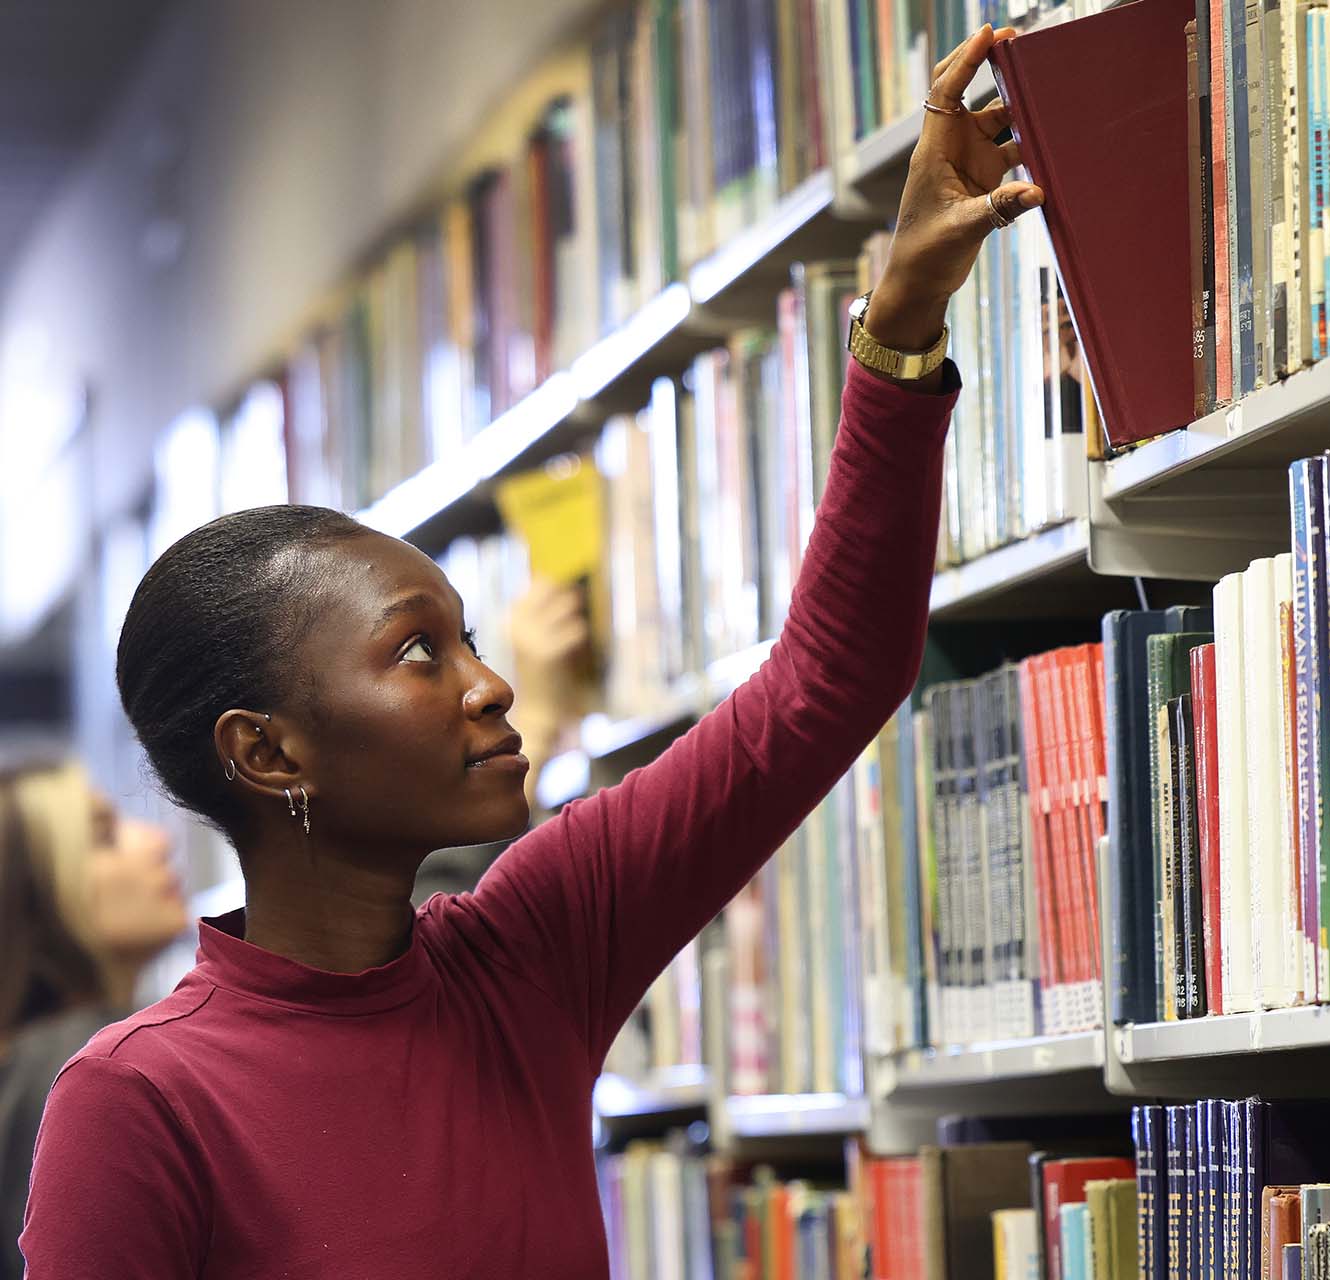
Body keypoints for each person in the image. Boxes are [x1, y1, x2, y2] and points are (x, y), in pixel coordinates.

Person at [20, 25, 1042, 1277]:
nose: (491, 681)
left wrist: (901, 315)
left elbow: (826, 684)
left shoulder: (533, 947)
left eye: (464, 635)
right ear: (268, 749)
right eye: (415, 654)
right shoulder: (141, 1099)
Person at [0, 762, 187, 1280]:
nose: (155, 841)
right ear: (30, 894)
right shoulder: (92, 1066)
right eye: (103, 836)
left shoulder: (36, 1060)